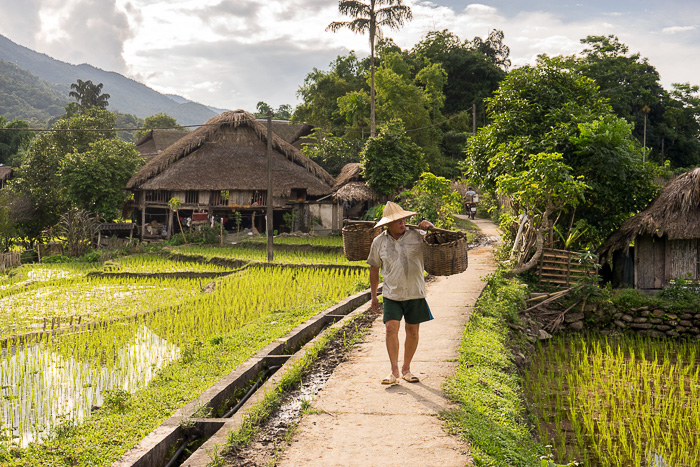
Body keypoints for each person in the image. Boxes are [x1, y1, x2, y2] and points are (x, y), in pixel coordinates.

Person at [367, 201, 434, 385]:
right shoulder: (378, 242)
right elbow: (374, 269)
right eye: (398, 221)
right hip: (391, 294)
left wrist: (431, 229)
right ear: (387, 224)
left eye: (404, 219)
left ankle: (406, 368)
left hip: (415, 291)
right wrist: (374, 296)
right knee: (391, 329)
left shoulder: (419, 236)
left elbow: (440, 243)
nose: (402, 223)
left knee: (412, 330)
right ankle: (394, 371)